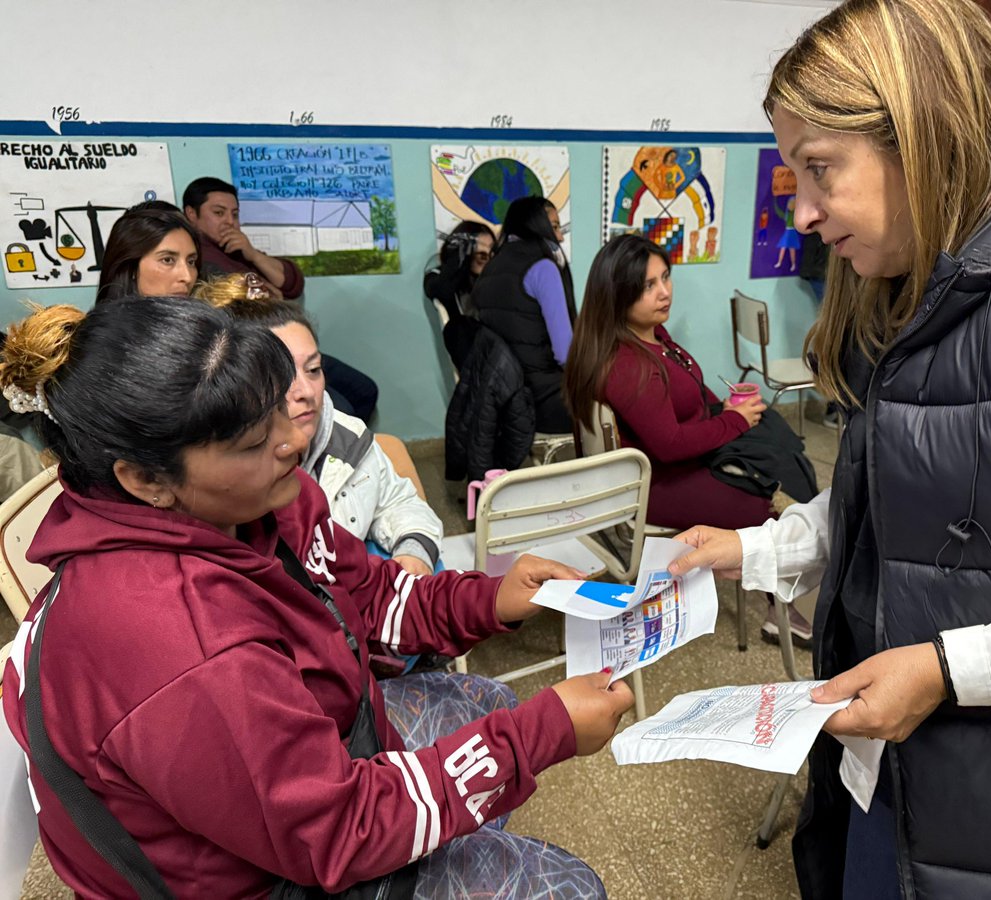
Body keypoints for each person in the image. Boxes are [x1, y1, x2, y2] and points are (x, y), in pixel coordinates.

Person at [667, 0, 991, 897]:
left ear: (920, 132)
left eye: (818, 171)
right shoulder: (916, 304)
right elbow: (902, 513)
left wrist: (952, 668)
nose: (799, 214)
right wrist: (755, 548)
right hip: (900, 777)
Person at [0, 296, 632, 898]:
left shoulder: (266, 500)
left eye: (281, 407)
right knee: (569, 885)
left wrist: (491, 600)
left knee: (485, 699)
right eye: (253, 443)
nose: (292, 441)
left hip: (304, 777)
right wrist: (537, 736)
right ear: (145, 480)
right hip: (262, 878)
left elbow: (363, 593)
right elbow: (336, 832)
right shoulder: (180, 646)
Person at [564, 234, 812, 645]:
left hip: (674, 464)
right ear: (618, 294)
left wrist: (729, 412)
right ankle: (780, 613)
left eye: (666, 278)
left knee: (775, 454)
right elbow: (670, 445)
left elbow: (692, 392)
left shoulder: (650, 337)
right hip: (657, 482)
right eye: (649, 286)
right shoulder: (628, 363)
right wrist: (733, 421)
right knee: (762, 504)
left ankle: (779, 584)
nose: (664, 292)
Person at [194, 273, 443, 578]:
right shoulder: (222, 481)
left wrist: (414, 550)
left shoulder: (344, 433)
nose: (307, 392)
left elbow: (397, 501)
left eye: (313, 369)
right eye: (280, 376)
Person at [183, 176, 378, 421]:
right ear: (192, 214)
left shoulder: (235, 248)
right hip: (260, 359)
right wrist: (271, 294)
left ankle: (342, 452)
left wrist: (253, 254)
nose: (229, 222)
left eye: (234, 214)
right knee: (343, 409)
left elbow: (292, 282)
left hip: (291, 349)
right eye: (219, 213)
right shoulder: (197, 257)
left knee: (364, 389)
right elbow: (252, 301)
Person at [472, 196, 576, 433]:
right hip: (545, 400)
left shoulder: (492, 267)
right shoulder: (543, 268)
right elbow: (565, 353)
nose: (560, 237)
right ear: (536, 225)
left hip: (504, 399)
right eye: (555, 227)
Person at [423, 220, 495, 371]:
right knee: (459, 327)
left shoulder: (496, 279)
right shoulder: (438, 276)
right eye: (480, 252)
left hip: (502, 355)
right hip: (476, 362)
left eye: (491, 250)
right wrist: (460, 257)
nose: (486, 256)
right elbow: (442, 289)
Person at [95, 200, 201, 301]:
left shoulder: (207, 317)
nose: (187, 277)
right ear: (131, 266)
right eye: (167, 260)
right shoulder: (106, 320)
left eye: (191, 262)